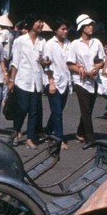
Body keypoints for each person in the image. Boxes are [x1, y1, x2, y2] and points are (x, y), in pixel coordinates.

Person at [7, 19, 46, 149]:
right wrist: (11, 80)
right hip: (23, 80)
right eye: (38, 22)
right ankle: (15, 132)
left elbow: (43, 60)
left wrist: (46, 62)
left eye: (42, 22)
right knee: (22, 108)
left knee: (34, 110)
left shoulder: (42, 41)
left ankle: (30, 138)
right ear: (31, 24)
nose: (41, 24)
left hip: (36, 80)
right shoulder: (20, 41)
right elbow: (15, 62)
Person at [68, 14, 106, 148]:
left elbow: (102, 60)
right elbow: (70, 64)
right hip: (81, 80)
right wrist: (80, 70)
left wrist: (98, 66)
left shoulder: (97, 42)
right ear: (82, 27)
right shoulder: (75, 44)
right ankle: (90, 138)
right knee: (85, 109)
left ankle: (80, 131)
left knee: (88, 108)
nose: (91, 27)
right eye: (88, 25)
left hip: (94, 79)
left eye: (92, 25)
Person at [42, 20, 72, 149]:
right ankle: (59, 139)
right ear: (56, 30)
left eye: (66, 29)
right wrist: (51, 83)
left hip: (66, 81)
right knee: (58, 112)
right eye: (62, 29)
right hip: (53, 81)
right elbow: (46, 65)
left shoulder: (68, 44)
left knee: (58, 110)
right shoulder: (49, 44)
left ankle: (48, 131)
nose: (65, 31)